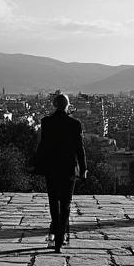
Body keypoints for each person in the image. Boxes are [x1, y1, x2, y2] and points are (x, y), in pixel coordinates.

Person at [33, 92, 86, 251]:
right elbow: (79, 149)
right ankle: (60, 236)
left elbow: (42, 146)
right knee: (66, 202)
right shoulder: (74, 123)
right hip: (68, 167)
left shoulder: (46, 122)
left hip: (51, 167)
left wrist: (37, 165)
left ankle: (56, 233)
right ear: (67, 105)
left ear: (54, 105)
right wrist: (83, 168)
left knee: (53, 201)